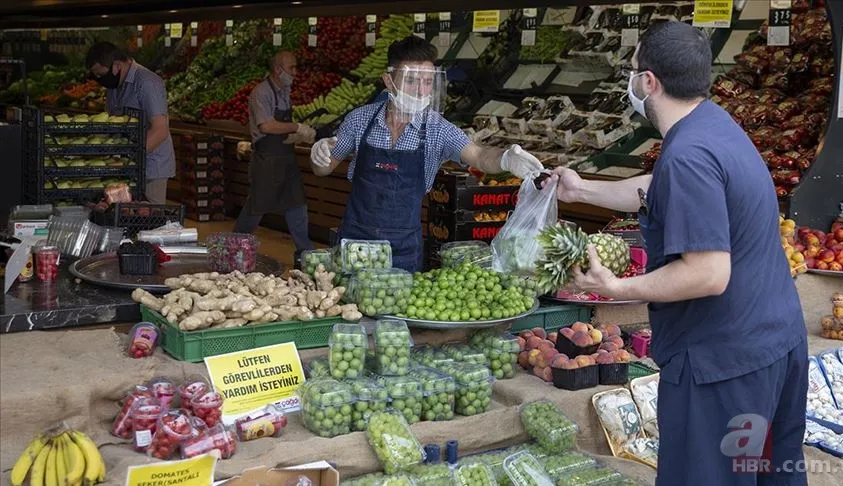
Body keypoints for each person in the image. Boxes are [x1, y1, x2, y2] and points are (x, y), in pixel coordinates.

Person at [547, 23, 807, 486]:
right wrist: (583, 189)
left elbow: (708, 274)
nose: (630, 82)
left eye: (633, 72)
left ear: (649, 82)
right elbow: (660, 188)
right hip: (774, 344)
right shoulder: (714, 125)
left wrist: (615, 287)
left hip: (722, 365)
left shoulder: (687, 154)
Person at [309, 36, 544, 272]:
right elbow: (323, 168)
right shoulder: (359, 120)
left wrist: (505, 158)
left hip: (402, 250)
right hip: (354, 243)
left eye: (428, 82)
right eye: (411, 80)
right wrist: (318, 154)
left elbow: (479, 155)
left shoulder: (438, 129)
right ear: (389, 81)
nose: (421, 91)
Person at [234, 51, 316, 266]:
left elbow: (279, 126)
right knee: (256, 207)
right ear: (278, 69)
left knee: (297, 204)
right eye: (292, 68)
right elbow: (266, 126)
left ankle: (305, 254)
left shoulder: (285, 90)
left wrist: (293, 137)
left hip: (286, 157)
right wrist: (296, 127)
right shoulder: (261, 93)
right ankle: (234, 248)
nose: (295, 72)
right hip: (267, 160)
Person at [86, 42, 175, 204]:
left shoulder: (147, 82)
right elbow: (111, 122)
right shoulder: (114, 86)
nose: (100, 80)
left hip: (150, 167)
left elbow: (160, 130)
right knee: (123, 213)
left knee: (148, 214)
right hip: (126, 167)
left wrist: (130, 158)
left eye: (100, 75)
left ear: (117, 65)